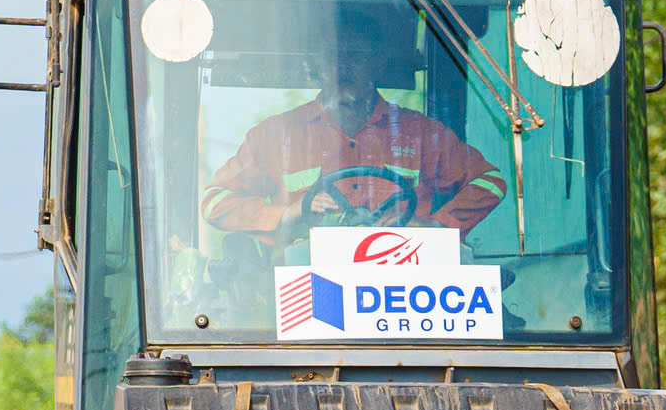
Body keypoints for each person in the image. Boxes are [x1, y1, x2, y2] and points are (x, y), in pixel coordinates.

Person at [201, 18, 505, 247]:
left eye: (356, 56)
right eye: (333, 56)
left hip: (405, 292)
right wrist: (286, 213)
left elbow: (490, 182)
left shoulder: (422, 134)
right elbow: (215, 202)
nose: (343, 66)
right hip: (301, 291)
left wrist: (436, 226)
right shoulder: (272, 136)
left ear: (378, 64)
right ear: (315, 66)